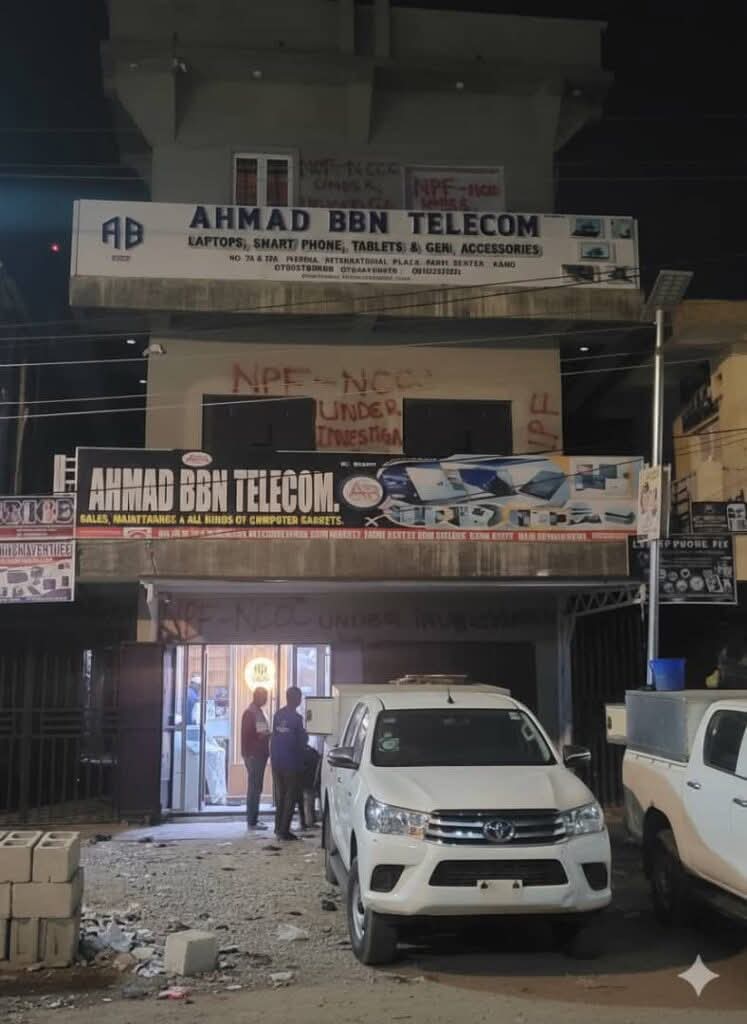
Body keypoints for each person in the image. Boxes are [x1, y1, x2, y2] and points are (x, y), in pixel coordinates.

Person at [271, 686, 307, 841]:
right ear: (296, 699)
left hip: (277, 761)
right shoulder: (297, 719)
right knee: (289, 797)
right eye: (300, 697)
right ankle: (284, 830)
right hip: (291, 763)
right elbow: (300, 742)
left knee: (280, 796)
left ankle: (278, 827)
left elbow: (275, 737)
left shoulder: (278, 715)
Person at [241, 686, 270, 831]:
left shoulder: (257, 712)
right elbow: (255, 735)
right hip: (254, 755)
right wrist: (269, 734)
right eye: (264, 697)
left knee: (256, 787)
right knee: (254, 788)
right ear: (257, 697)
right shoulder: (251, 713)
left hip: (258, 754)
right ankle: (252, 821)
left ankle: (254, 819)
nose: (266, 700)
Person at [298, 741, 321, 830]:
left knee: (305, 800)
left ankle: (307, 821)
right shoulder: (312, 752)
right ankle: (309, 821)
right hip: (310, 779)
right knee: (309, 800)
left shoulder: (300, 751)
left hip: (303, 779)